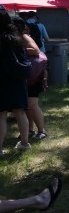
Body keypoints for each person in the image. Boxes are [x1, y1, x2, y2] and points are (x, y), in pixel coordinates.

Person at [0, 9, 35, 154]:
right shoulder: (17, 37)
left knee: (1, 114)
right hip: (18, 79)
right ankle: (24, 144)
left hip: (2, 79)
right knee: (20, 112)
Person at [11, 16, 48, 140]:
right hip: (26, 75)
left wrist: (18, 50)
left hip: (34, 75)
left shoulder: (24, 37)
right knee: (26, 105)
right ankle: (30, 130)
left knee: (32, 104)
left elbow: (35, 50)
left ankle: (42, 131)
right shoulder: (15, 38)